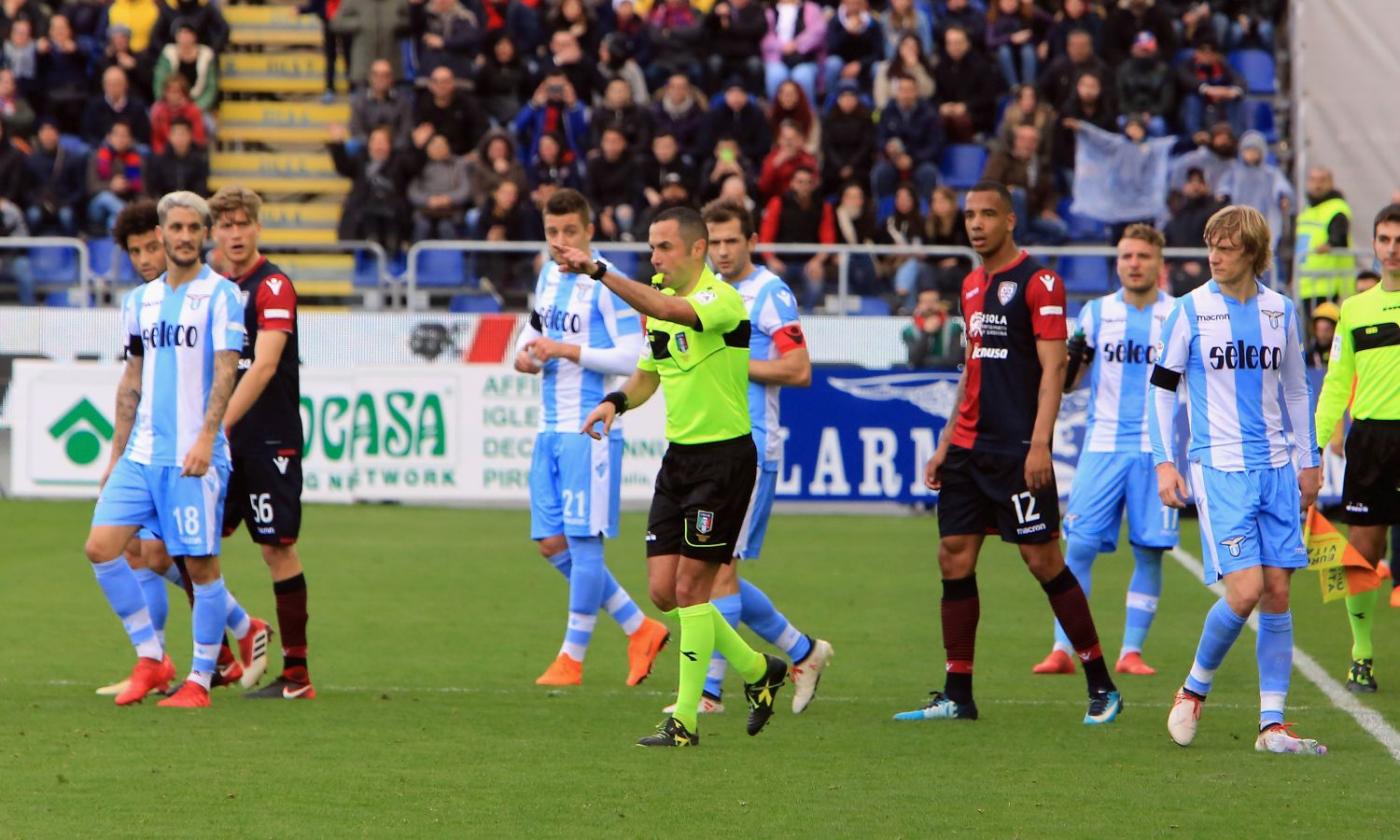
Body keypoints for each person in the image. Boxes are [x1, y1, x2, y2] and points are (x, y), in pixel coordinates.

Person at [893, 180, 1123, 725]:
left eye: (987, 214)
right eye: (969, 214)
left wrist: (1039, 443)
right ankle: (958, 694)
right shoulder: (971, 285)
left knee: (1042, 559)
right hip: (969, 449)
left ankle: (1101, 683)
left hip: (1017, 449)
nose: (975, 223)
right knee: (953, 553)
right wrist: (946, 442)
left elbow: (1053, 369)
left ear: (1010, 220)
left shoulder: (1040, 283)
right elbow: (971, 370)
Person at [571, 207, 790, 747]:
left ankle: (685, 721)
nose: (654, 257)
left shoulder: (721, 299)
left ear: (697, 249)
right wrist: (614, 402)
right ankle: (760, 671)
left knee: (694, 589)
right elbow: (649, 374)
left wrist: (600, 271)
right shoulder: (660, 306)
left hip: (725, 462)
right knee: (664, 593)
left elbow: (671, 308)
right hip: (680, 461)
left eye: (663, 247)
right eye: (650, 248)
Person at [1153, 205, 1325, 755]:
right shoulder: (1188, 311)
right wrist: (1164, 459)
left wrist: (1308, 457)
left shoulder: (1280, 311)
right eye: (1211, 244)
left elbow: (1297, 390)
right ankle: (1193, 689)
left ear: (1252, 251)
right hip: (1219, 468)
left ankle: (1271, 725)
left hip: (1277, 469)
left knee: (1277, 593)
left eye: (1226, 246)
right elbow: (1160, 390)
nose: (1214, 255)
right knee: (1245, 590)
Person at [657, 197, 833, 718]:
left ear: (752, 242)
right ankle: (803, 653)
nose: (726, 251)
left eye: (735, 240)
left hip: (750, 449)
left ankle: (709, 694)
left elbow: (798, 369)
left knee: (719, 574)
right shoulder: (699, 292)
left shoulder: (767, 294)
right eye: (717, 242)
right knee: (713, 574)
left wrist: (733, 362)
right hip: (706, 447)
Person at [83, 190, 251, 708]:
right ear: (163, 231)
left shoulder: (222, 295)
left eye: (193, 229)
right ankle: (152, 659)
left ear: (204, 235)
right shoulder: (140, 301)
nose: (183, 237)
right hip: (141, 453)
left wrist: (207, 436)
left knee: (200, 568)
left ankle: (200, 681)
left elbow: (226, 371)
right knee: (101, 548)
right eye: (175, 228)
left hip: (192, 456)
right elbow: (132, 377)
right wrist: (116, 455)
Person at [510, 188, 671, 688]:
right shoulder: (547, 274)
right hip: (549, 429)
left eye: (570, 232)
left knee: (583, 543)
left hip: (590, 429)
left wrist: (565, 349)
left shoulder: (606, 284)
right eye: (552, 232)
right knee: (550, 541)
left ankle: (571, 658)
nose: (560, 242)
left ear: (589, 229)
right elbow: (534, 328)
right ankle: (638, 626)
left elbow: (632, 356)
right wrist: (525, 352)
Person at [1031, 224, 1177, 677]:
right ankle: (1062, 648)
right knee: (1078, 549)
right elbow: (1071, 382)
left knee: (1149, 551)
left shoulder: (1178, 315)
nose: (1134, 264)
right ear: (1117, 263)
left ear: (1159, 264)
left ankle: (1131, 651)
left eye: (1142, 256)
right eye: (1126, 256)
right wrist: (1072, 359)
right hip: (1102, 447)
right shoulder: (1095, 314)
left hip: (1157, 451)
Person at [209, 185, 319, 701]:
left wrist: (216, 424)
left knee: (277, 548)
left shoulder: (272, 286)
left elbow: (267, 363)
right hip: (222, 438)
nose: (234, 233)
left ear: (257, 227)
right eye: (225, 225)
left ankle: (297, 675)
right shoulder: (213, 290)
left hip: (266, 435)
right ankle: (221, 657)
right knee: (187, 545)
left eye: (242, 223)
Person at [1313, 204, 1400, 692]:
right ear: (1374, 244)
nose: (1392, 250)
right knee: (1360, 552)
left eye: (1399, 240)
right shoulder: (1354, 309)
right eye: (1385, 239)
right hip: (1369, 441)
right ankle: (1361, 653)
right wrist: (1314, 445)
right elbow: (1336, 382)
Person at [757, 166, 835, 311]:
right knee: (771, 281)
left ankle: (807, 316)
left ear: (814, 184)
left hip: (809, 263)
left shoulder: (823, 206)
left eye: (808, 182)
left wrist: (817, 261)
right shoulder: (777, 204)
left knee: (816, 284)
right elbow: (765, 238)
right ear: (792, 184)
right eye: (800, 182)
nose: (804, 186)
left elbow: (828, 240)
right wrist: (771, 260)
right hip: (781, 262)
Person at [981, 123, 1066, 244]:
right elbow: (987, 184)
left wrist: (1048, 209)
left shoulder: (1041, 164)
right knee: (1018, 194)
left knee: (1061, 229)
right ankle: (1019, 244)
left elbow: (1051, 191)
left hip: (1032, 214)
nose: (1028, 144)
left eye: (1032, 141)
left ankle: (1032, 246)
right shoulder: (1001, 158)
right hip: (1006, 214)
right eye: (1023, 140)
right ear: (1015, 141)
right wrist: (1005, 189)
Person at [1294, 165, 1356, 312]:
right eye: (1313, 180)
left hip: (1330, 286)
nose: (1317, 185)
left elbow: (1339, 238)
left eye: (1322, 180)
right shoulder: (1307, 210)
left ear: (1331, 182)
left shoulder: (1337, 208)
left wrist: (1329, 245)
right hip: (1306, 285)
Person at [872, 74, 941, 202]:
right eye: (902, 90)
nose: (906, 94)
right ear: (896, 92)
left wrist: (913, 159)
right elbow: (879, 139)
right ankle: (883, 215)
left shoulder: (929, 113)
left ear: (916, 92)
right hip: (892, 161)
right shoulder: (886, 111)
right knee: (880, 173)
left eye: (910, 90)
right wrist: (888, 149)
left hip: (920, 161)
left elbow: (935, 146)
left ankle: (926, 215)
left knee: (928, 173)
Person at [933, 25, 1002, 142]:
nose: (954, 47)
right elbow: (936, 94)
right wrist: (942, 106)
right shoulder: (941, 67)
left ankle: (967, 151)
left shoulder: (981, 65)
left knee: (960, 121)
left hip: (976, 114)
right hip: (949, 112)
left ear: (967, 43)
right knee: (936, 120)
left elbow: (988, 96)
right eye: (950, 43)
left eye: (958, 42)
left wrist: (966, 106)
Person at [25, 117, 84, 235]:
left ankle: (74, 249)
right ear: (39, 135)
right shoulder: (31, 160)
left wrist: (65, 202)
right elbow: (26, 189)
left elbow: (80, 189)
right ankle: (26, 249)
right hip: (39, 203)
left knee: (66, 216)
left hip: (64, 202)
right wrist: (39, 202)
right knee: (33, 215)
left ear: (58, 134)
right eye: (44, 132)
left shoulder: (71, 159)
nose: (48, 136)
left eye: (51, 132)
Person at [761, 0, 826, 104]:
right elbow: (766, 37)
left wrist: (796, 44)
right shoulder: (770, 12)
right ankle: (776, 114)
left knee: (802, 76)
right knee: (775, 75)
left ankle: (808, 115)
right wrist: (782, 46)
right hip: (778, 57)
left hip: (804, 59)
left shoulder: (811, 8)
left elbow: (818, 32)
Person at [414, 66, 489, 157]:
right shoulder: (423, 105)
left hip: (463, 157)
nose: (441, 86)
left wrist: (474, 153)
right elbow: (418, 134)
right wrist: (419, 140)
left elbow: (481, 132)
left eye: (445, 81)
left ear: (453, 83)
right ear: (430, 85)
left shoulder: (469, 104)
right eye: (436, 82)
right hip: (432, 157)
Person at [86, 119, 145, 234]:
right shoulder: (97, 157)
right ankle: (126, 213)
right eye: (116, 135)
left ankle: (114, 251)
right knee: (105, 197)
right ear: (108, 137)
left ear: (130, 139)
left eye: (124, 135)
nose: (120, 139)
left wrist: (129, 186)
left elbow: (142, 189)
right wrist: (111, 186)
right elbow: (90, 187)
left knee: (114, 221)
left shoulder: (137, 160)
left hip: (126, 202)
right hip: (98, 206)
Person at [1115, 30, 1172, 137]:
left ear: (1155, 49)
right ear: (1133, 49)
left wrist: (1150, 114)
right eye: (1141, 49)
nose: (1145, 53)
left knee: (1158, 125)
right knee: (1120, 122)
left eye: (1148, 50)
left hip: (1153, 116)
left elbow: (1166, 102)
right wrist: (1134, 117)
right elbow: (1120, 100)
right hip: (1129, 114)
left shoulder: (1164, 71)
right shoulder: (1123, 70)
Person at [822, 0, 883, 98]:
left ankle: (875, 104)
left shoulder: (872, 23)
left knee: (878, 67)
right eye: (850, 3)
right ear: (843, 3)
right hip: (842, 65)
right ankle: (831, 100)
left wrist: (860, 64)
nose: (854, 7)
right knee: (832, 63)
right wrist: (847, 33)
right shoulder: (835, 21)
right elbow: (831, 49)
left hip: (864, 66)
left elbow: (878, 53)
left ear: (864, 4)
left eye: (858, 3)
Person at [704, 0, 766, 95]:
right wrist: (716, 15)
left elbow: (757, 30)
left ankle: (754, 99)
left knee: (755, 65)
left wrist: (730, 27)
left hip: (747, 54)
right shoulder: (720, 5)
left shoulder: (756, 9)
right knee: (713, 63)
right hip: (723, 54)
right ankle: (712, 100)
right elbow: (707, 26)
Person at [349, 59, 413, 145]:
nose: (381, 79)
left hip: (396, 149)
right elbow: (356, 129)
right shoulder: (359, 100)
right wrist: (374, 145)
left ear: (391, 78)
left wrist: (388, 146)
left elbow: (406, 129)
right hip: (367, 148)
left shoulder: (403, 100)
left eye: (385, 75)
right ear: (370, 77)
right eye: (376, 75)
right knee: (352, 145)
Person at [145, 117, 209, 196]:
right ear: (169, 136)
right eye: (175, 134)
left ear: (190, 136)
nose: (179, 138)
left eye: (183, 134)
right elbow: (153, 189)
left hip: (191, 204)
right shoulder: (158, 161)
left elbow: (201, 189)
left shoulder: (199, 161)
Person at [902, 287, 963, 368]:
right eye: (925, 302)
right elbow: (914, 359)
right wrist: (926, 333)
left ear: (940, 304)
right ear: (918, 305)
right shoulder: (909, 330)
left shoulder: (954, 327)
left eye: (933, 301)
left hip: (947, 374)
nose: (929, 306)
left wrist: (925, 362)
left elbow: (955, 359)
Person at [1305, 301, 1337, 370]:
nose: (1322, 334)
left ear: (1335, 330)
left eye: (1327, 330)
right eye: (1319, 329)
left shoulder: (1342, 356)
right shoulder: (1309, 356)